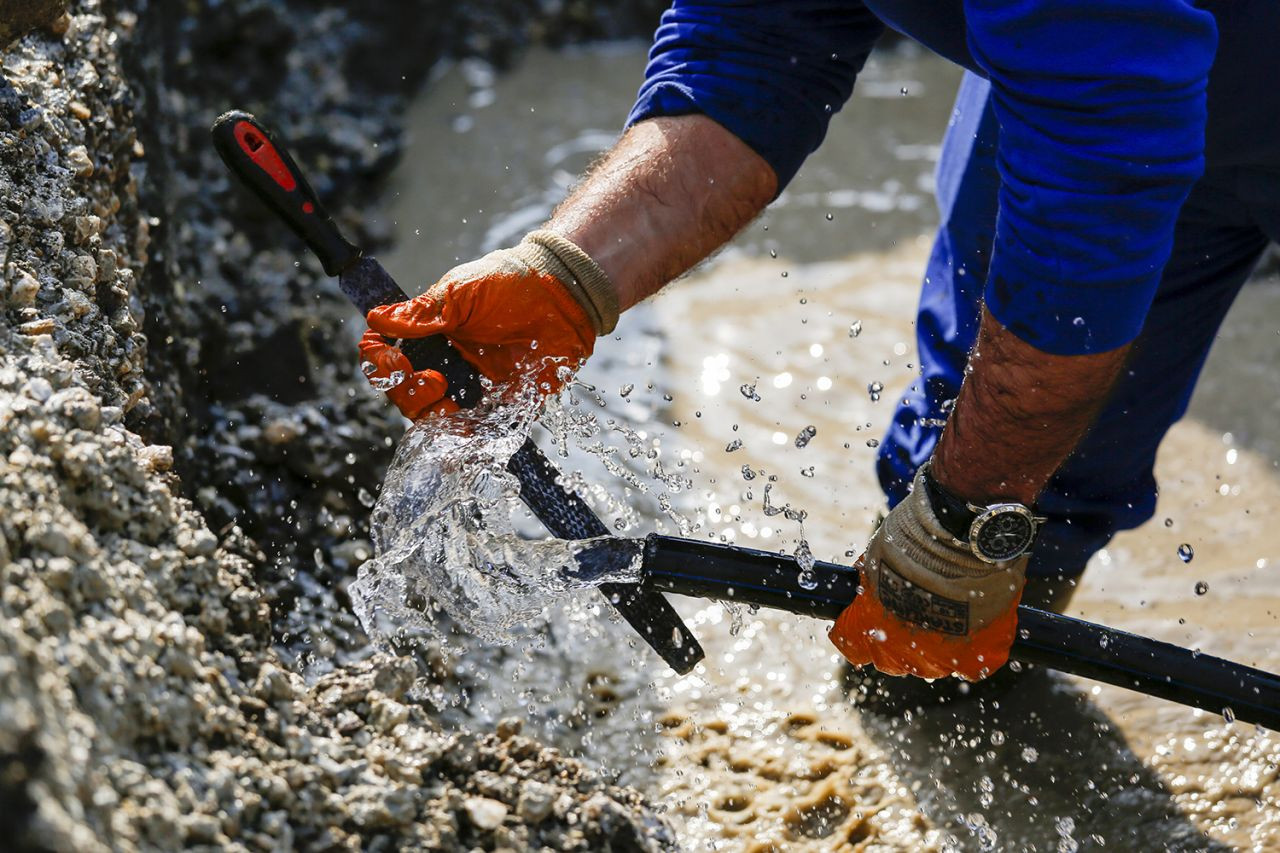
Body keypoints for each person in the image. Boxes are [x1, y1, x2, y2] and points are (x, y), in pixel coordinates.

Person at [359, 1, 1280, 693]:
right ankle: (972, 660)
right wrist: (566, 275)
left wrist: (969, 515)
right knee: (992, 494)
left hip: (1118, 81)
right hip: (1108, 72)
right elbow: (754, 45)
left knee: (974, 501)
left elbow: (1103, 175)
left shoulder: (1103, 95)